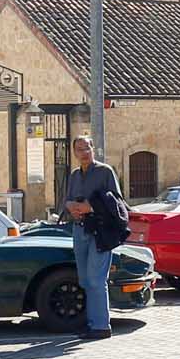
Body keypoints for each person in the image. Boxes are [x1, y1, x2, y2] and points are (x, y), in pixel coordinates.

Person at [62, 136, 122, 340]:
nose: (84, 152)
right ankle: (92, 323)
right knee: (85, 280)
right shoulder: (74, 176)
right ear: (75, 153)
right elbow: (67, 200)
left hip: (100, 231)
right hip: (79, 230)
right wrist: (71, 207)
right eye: (80, 149)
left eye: (87, 148)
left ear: (93, 149)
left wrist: (92, 206)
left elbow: (117, 202)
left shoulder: (105, 171)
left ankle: (102, 326)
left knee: (97, 280)